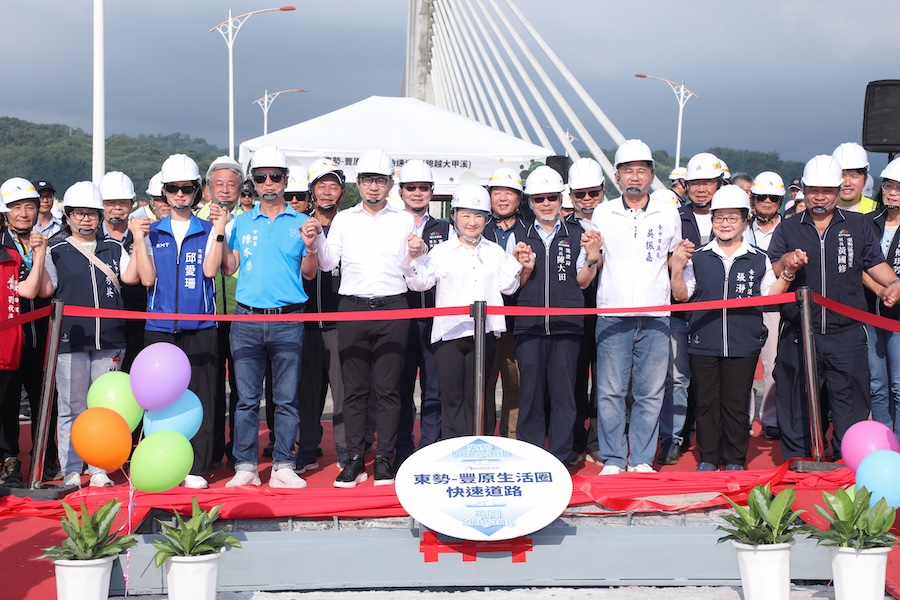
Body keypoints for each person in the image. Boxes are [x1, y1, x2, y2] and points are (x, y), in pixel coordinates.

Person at [768, 155, 900, 461]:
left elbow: (874, 263)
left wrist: (894, 283)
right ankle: (799, 461)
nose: (820, 197)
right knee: (796, 401)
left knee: (850, 402)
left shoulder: (858, 224)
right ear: (804, 190)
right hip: (799, 333)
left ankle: (846, 461)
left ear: (839, 191)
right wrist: (788, 262)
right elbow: (775, 266)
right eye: (813, 190)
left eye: (827, 191)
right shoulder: (788, 228)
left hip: (847, 334)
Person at [204, 145, 318, 489]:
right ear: (253, 182)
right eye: (261, 177)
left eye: (275, 177)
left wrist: (311, 245)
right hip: (247, 319)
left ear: (286, 180)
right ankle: (245, 465)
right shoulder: (241, 222)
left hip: (288, 319)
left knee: (286, 399)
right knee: (246, 400)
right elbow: (229, 267)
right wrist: (221, 230)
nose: (268, 183)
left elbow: (310, 273)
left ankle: (284, 463)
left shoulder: (301, 223)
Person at [306, 148, 414, 488]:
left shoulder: (403, 220)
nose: (373, 186)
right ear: (358, 182)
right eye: (368, 180)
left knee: (388, 389)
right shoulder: (345, 220)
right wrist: (314, 242)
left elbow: (412, 271)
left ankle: (384, 458)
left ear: (391, 183)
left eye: (380, 180)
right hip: (352, 307)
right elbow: (327, 264)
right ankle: (354, 457)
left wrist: (418, 254)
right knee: (354, 389)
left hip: (394, 307)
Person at [671, 186, 788, 471]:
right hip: (704, 341)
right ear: (712, 220)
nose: (725, 224)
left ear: (745, 221)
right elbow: (682, 295)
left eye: (733, 218)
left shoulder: (758, 258)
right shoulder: (699, 256)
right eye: (719, 218)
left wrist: (787, 275)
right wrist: (677, 267)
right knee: (706, 403)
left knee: (736, 404)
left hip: (743, 343)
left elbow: (769, 297)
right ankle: (708, 457)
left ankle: (735, 458)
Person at [123, 154, 219, 489]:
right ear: (163, 191)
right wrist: (138, 239)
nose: (180, 194)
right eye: (173, 188)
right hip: (159, 329)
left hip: (201, 328)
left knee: (201, 398)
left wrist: (220, 230)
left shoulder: (208, 230)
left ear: (197, 190)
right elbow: (145, 279)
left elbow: (211, 271)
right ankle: (161, 462)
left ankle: (198, 466)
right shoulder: (152, 232)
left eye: (187, 188)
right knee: (160, 400)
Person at [403, 184, 528, 438]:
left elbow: (507, 286)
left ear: (487, 218)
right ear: (454, 216)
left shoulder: (495, 252)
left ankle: (479, 445)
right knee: (452, 397)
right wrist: (413, 258)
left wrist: (516, 261)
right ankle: (455, 447)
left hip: (485, 334)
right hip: (449, 334)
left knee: (478, 397)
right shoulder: (442, 251)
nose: (472, 222)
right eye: (466, 215)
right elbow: (420, 283)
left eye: (478, 215)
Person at [592, 140, 685, 475]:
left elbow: (674, 258)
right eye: (628, 171)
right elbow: (592, 259)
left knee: (650, 392)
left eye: (641, 170)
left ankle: (642, 458)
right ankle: (614, 458)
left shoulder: (667, 213)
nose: (635, 177)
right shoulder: (603, 212)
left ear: (651, 175)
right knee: (610, 392)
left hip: (656, 315)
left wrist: (680, 264)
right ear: (617, 177)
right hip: (613, 314)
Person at [40, 182, 129, 488]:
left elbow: (134, 277)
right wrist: (38, 254)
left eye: (91, 213)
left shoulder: (114, 248)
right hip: (70, 341)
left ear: (100, 216)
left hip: (110, 340)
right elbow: (47, 289)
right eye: (79, 213)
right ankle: (71, 468)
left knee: (103, 408)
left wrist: (141, 238)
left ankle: (99, 467)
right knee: (71, 407)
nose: (86, 218)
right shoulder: (56, 251)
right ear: (67, 216)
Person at [514, 166, 600, 463]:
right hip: (529, 326)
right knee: (531, 394)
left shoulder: (577, 235)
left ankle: (561, 457)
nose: (546, 203)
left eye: (552, 197)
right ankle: (530, 455)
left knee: (564, 395)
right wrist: (523, 267)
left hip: (567, 325)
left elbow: (583, 282)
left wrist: (592, 259)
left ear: (562, 198)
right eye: (539, 199)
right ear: (529, 202)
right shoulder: (520, 236)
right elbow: (511, 285)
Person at [658, 152, 724, 466]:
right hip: (680, 312)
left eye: (707, 182)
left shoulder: (729, 216)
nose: (701, 188)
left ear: (719, 184)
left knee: (712, 381)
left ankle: (713, 440)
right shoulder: (674, 217)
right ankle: (672, 438)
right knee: (676, 379)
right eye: (695, 182)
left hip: (717, 315)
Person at [396, 160, 450, 464]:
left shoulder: (445, 228)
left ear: (432, 191)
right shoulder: (392, 225)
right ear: (401, 191)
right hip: (399, 317)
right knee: (400, 387)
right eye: (411, 187)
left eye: (423, 188)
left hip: (435, 318)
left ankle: (430, 446)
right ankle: (402, 448)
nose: (417, 193)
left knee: (434, 388)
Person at [297, 160, 349, 468]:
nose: (327, 192)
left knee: (343, 391)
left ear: (342, 193)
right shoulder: (299, 225)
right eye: (321, 186)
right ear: (312, 192)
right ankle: (307, 447)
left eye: (333, 186)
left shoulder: (350, 226)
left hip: (341, 323)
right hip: (303, 323)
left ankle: (344, 448)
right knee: (306, 390)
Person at [0, 178, 50, 484]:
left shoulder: (45, 240)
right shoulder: (2, 245)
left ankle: (46, 458)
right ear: (5, 212)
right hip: (8, 338)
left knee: (43, 397)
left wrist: (41, 252)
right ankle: (10, 459)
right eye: (16, 207)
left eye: (29, 206)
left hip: (40, 334)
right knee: (7, 401)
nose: (23, 213)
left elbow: (47, 289)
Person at [196, 156, 245, 468]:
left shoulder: (250, 220)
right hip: (207, 316)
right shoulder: (195, 220)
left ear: (240, 189)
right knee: (210, 386)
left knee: (243, 388)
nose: (225, 190)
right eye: (219, 184)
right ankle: (210, 451)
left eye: (231, 184)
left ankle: (239, 450)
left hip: (242, 314)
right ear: (207, 189)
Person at [482, 167, 529, 438]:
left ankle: (512, 435)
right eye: (497, 192)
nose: (502, 198)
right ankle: (484, 435)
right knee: (484, 383)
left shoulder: (530, 232)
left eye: (509, 193)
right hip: (485, 321)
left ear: (519, 198)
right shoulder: (478, 230)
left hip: (516, 322)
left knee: (515, 383)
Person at [566, 157, 605, 463]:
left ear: (603, 190)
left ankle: (598, 440)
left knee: (607, 382)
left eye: (593, 192)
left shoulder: (615, 222)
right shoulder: (564, 228)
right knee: (576, 379)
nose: (587, 199)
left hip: (609, 309)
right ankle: (576, 440)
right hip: (576, 312)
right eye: (580, 194)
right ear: (571, 195)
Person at [744, 171, 786, 440]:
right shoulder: (741, 227)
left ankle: (770, 418)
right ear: (753, 199)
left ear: (780, 201)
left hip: (775, 306)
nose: (767, 201)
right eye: (762, 197)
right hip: (744, 305)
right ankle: (743, 418)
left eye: (773, 197)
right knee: (742, 365)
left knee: (773, 365)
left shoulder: (790, 229)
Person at [865, 157, 900, 436]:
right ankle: (883, 440)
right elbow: (858, 264)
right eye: (888, 186)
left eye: (899, 188)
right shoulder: (868, 223)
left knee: (899, 385)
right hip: (869, 314)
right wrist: (879, 289)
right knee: (876, 384)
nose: (892, 192)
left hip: (898, 320)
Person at [99, 171, 146, 373]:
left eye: (123, 202)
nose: (117, 207)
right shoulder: (90, 237)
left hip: (138, 323)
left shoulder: (144, 235)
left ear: (132, 203)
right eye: (111, 202)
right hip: (102, 327)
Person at [832, 142, 878, 214]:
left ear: (865, 179)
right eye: (842, 176)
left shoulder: (877, 211)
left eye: (854, 176)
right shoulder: (820, 211)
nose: (847, 183)